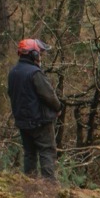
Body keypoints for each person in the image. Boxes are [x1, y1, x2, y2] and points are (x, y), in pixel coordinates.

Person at [7, 38, 62, 180]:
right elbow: (49, 95)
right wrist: (58, 107)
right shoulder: (35, 73)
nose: (41, 56)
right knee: (47, 151)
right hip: (39, 120)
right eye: (40, 53)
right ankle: (49, 187)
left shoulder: (13, 72)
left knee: (29, 153)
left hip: (22, 121)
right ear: (34, 54)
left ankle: (30, 185)